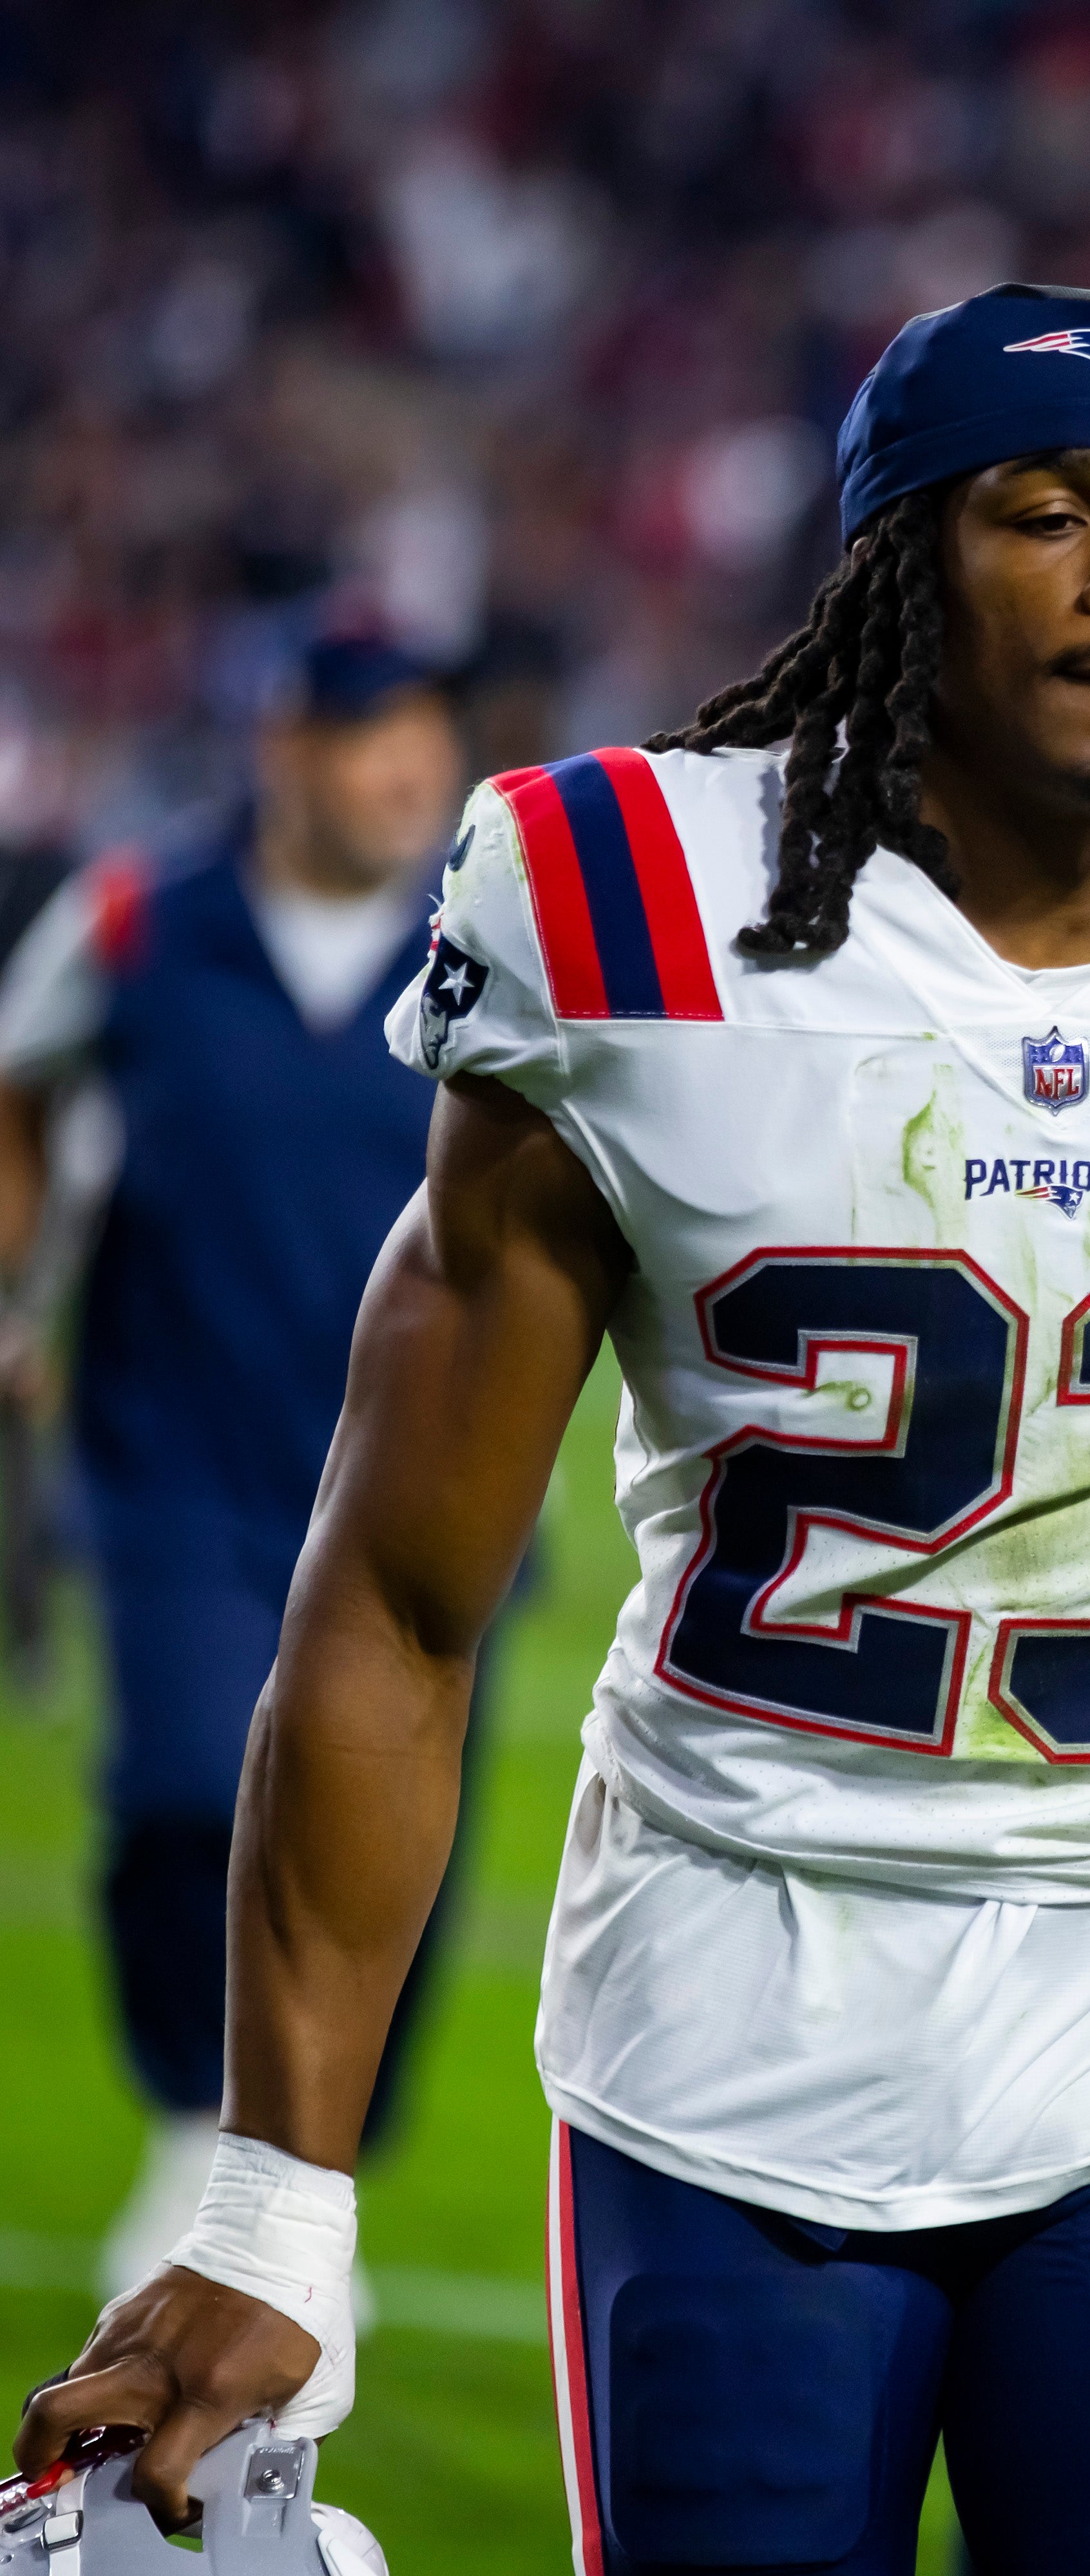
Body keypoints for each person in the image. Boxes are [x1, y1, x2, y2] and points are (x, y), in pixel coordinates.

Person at [17, 285, 1090, 2575]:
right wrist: (272, 2205)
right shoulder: (632, 915)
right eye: (1053, 510)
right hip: (729, 2049)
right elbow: (404, 1601)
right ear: (899, 570)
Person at [0, 630, 464, 2297]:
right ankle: (204, 2127)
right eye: (365, 736)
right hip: (169, 1447)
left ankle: (304, 2160)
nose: (404, 767)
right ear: (281, 748)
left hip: (423, 1464)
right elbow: (19, 1086)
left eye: (423, 732)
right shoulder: (136, 922)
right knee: (192, 1786)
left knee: (399, 1833)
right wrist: (22, 1280)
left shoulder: (484, 929)